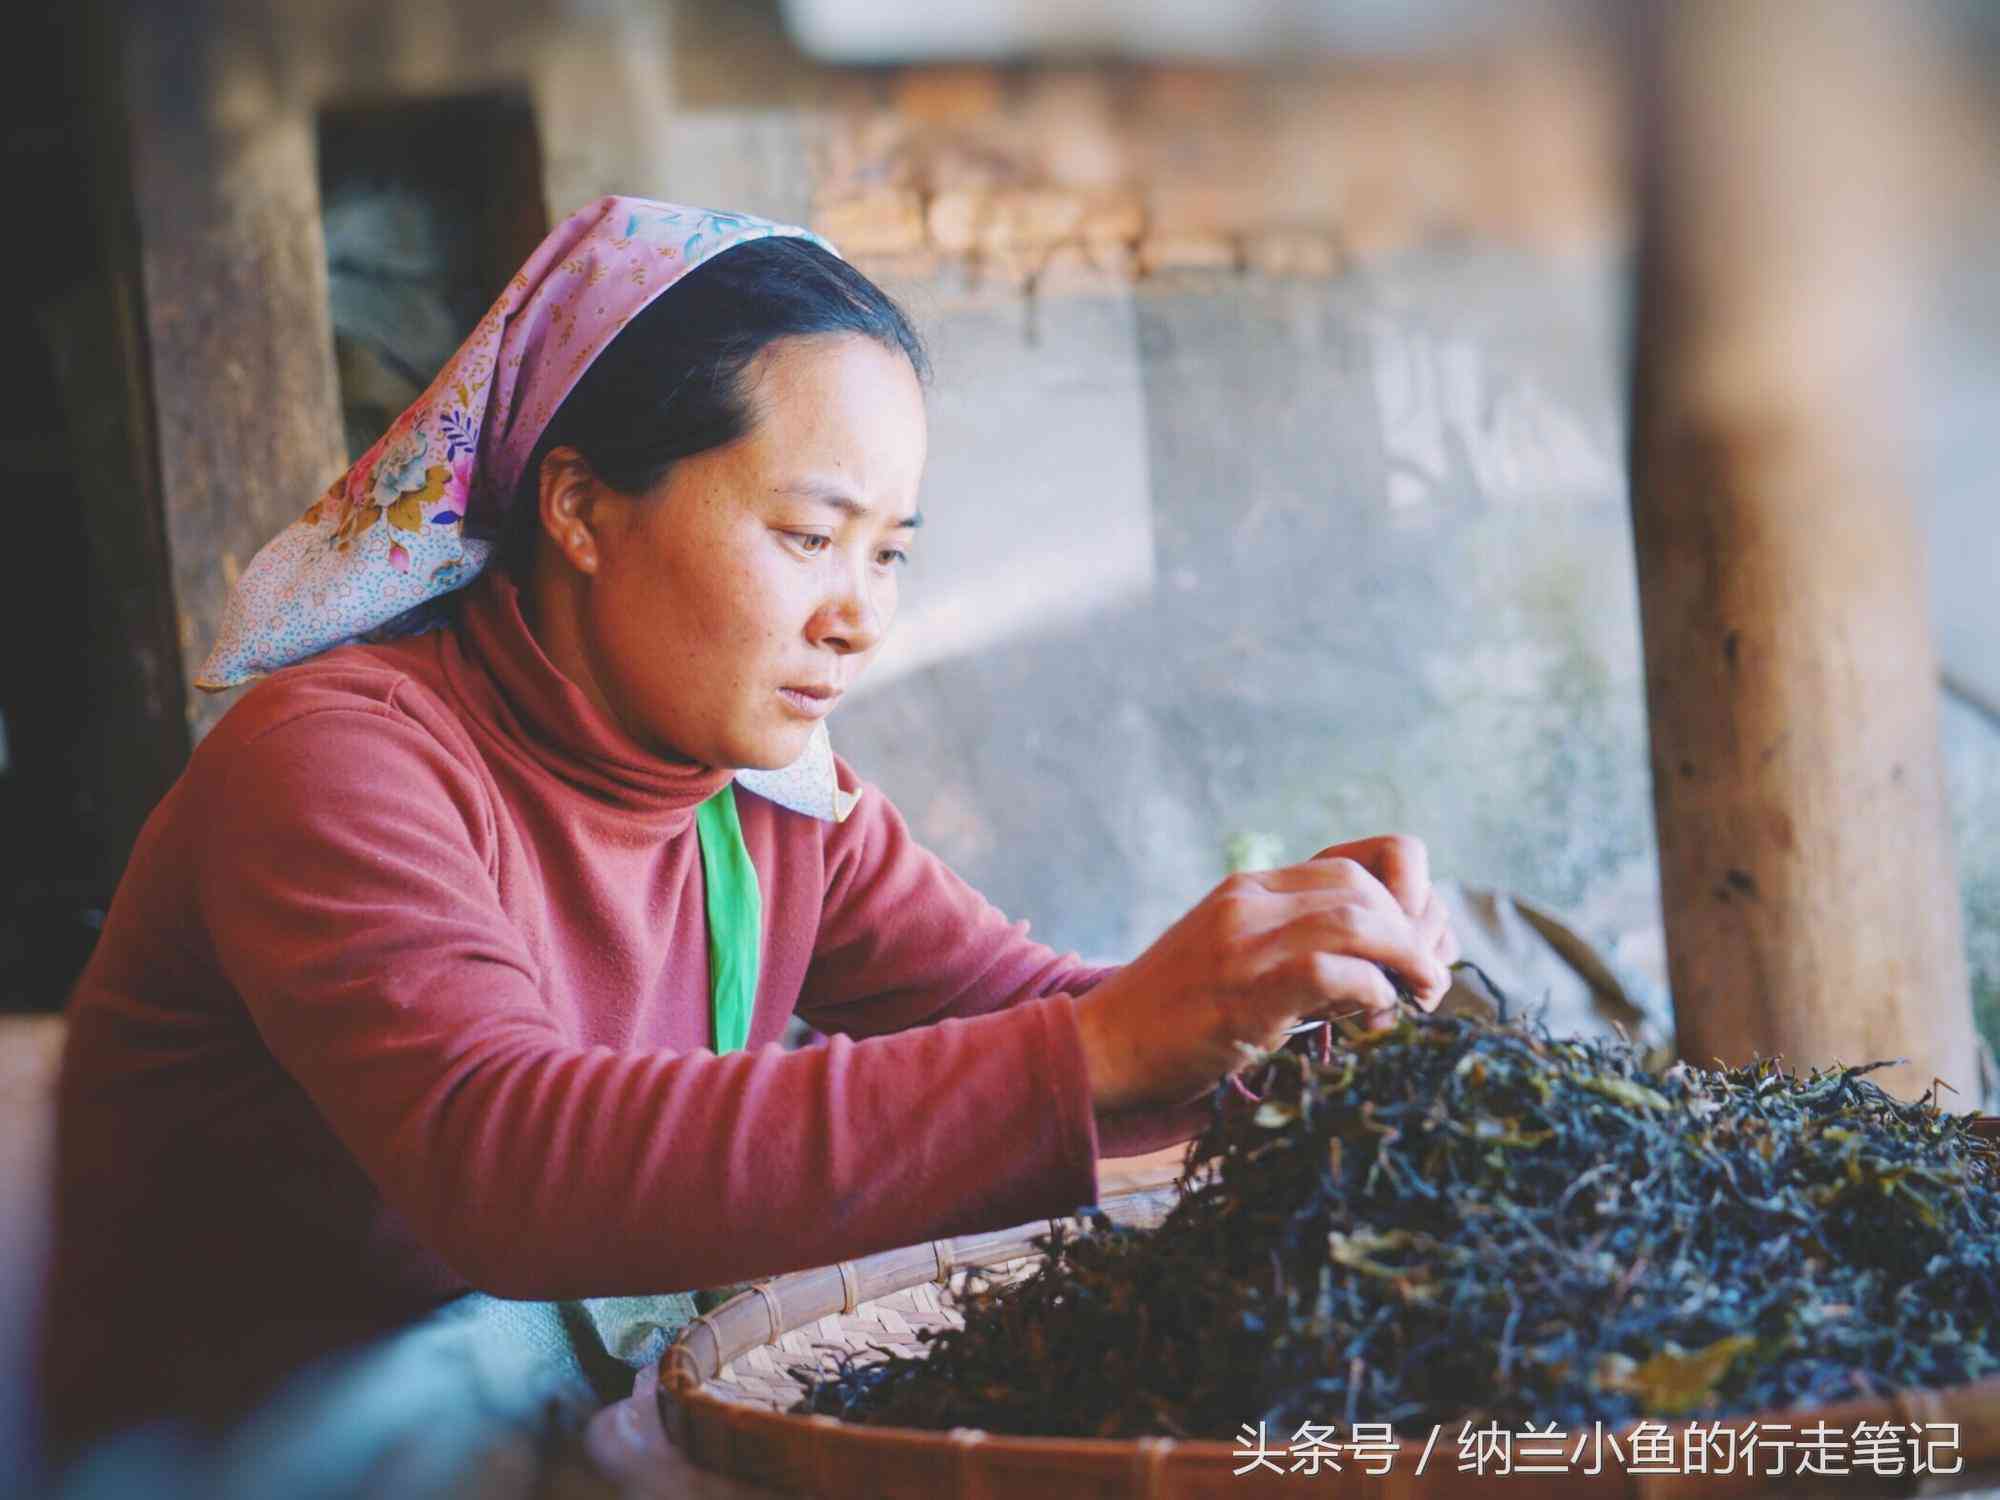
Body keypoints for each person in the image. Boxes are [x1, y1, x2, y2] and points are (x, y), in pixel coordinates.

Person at [37, 197, 1457, 1491]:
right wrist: (1111, 1048)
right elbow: (505, 1164)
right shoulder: (337, 762)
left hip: (540, 1434)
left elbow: (1049, 1021)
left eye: (890, 551)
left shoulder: (770, 803)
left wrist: (1276, 1016)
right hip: (256, 1449)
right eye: (808, 534)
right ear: (582, 506)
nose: (861, 614)